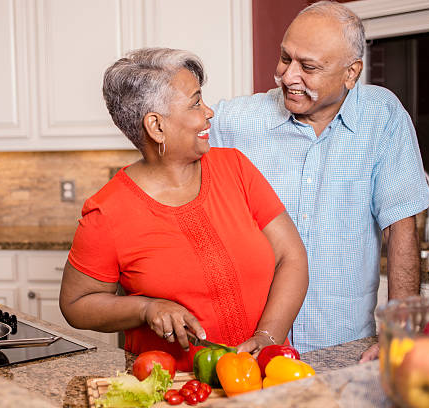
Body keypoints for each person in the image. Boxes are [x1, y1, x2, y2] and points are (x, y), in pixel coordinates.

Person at [59, 47, 308, 372]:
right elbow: (75, 305)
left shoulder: (236, 168)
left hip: (265, 377)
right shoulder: (107, 213)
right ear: (156, 127)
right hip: (176, 391)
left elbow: (292, 257)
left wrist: (268, 337)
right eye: (195, 103)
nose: (208, 112)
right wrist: (146, 309)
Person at [209, 1, 429, 359]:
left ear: (351, 73)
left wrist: (401, 330)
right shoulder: (239, 119)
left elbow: (400, 228)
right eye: (285, 58)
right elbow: (172, 132)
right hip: (251, 347)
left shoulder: (382, 117)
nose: (287, 76)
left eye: (308, 67)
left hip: (342, 343)